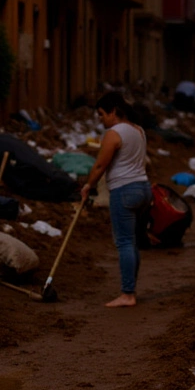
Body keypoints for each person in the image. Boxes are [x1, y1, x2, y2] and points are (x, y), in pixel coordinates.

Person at [80, 92, 152, 308]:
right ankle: (130, 290)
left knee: (124, 242)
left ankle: (127, 294)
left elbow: (101, 165)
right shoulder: (138, 130)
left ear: (113, 112)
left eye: (102, 114)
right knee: (133, 242)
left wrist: (87, 186)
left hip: (124, 191)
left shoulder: (114, 133)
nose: (100, 119)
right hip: (143, 189)